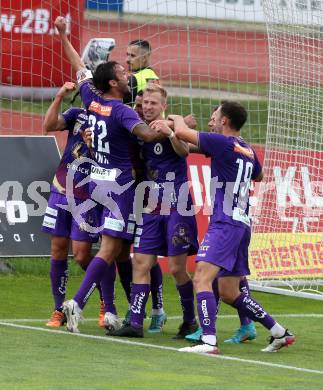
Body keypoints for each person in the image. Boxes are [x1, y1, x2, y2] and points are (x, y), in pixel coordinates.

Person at [54, 16, 167, 333]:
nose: (126, 73)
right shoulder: (122, 111)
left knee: (120, 251)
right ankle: (77, 303)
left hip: (98, 183)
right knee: (116, 250)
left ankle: (128, 309)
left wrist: (64, 36)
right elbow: (144, 135)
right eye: (121, 72)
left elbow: (81, 69)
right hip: (121, 188)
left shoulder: (92, 99)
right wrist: (170, 130)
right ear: (115, 84)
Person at [163, 101, 295, 353]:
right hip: (242, 225)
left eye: (214, 117)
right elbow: (259, 176)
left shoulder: (222, 142)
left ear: (225, 121)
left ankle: (209, 341)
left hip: (225, 223)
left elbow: (182, 133)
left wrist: (175, 118)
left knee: (201, 278)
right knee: (229, 291)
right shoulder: (245, 148)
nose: (210, 121)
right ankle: (279, 332)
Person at [112, 84, 199, 338]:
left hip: (177, 206)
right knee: (141, 262)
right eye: (145, 103)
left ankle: (190, 321)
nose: (148, 107)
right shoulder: (138, 130)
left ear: (164, 107)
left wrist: (172, 132)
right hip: (150, 207)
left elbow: (184, 153)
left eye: (153, 103)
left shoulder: (173, 127)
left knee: (176, 267)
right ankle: (136, 323)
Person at [42, 81, 102, 327]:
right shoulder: (77, 115)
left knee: (81, 255)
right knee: (57, 248)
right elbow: (48, 126)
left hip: (88, 195)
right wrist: (58, 97)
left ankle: (105, 299)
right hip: (61, 188)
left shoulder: (111, 121)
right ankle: (58, 309)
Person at [124, 40, 160, 105]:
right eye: (127, 55)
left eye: (132, 56)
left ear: (144, 58)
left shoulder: (134, 79)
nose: (127, 60)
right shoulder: (154, 77)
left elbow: (124, 107)